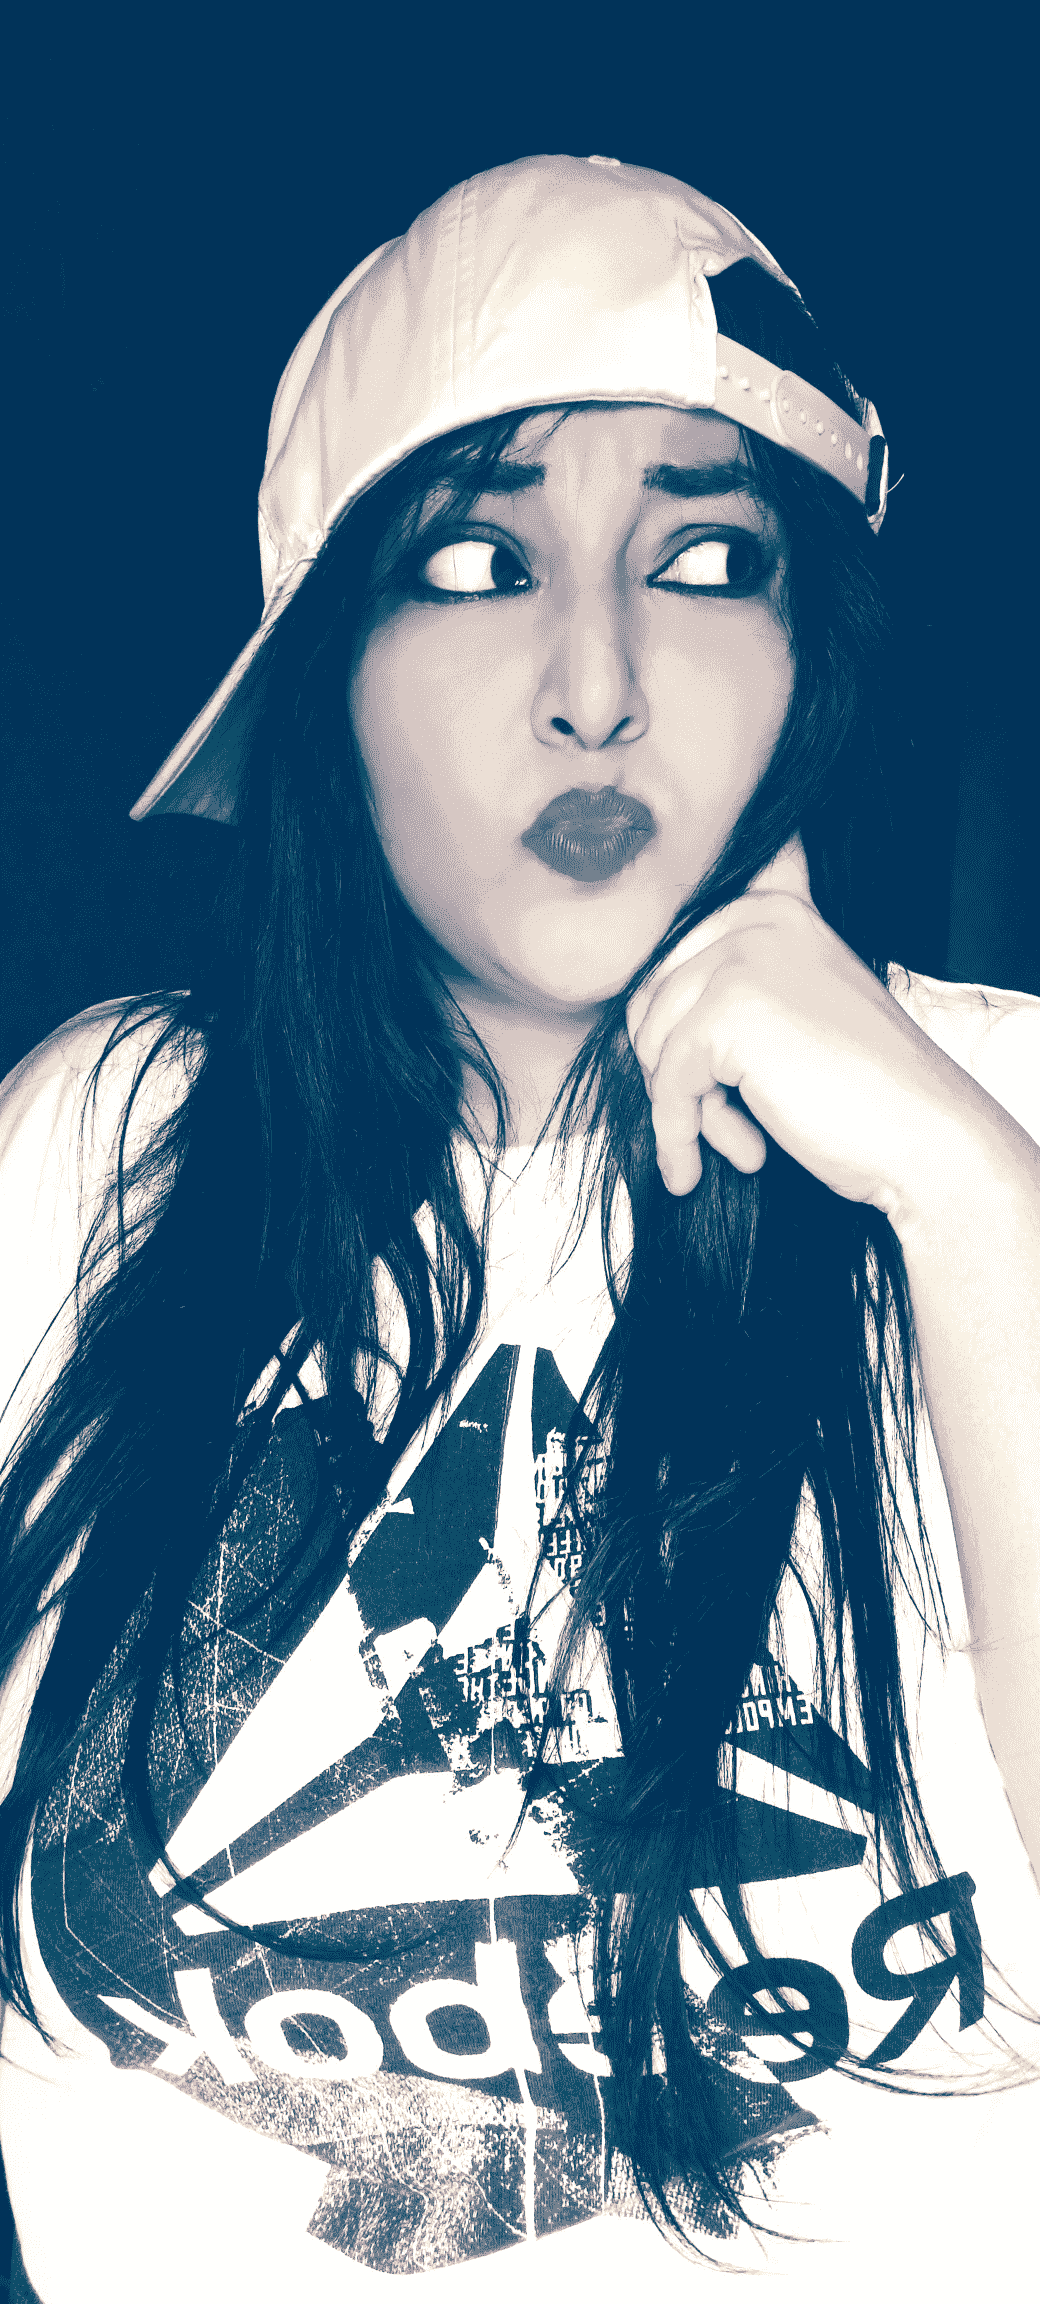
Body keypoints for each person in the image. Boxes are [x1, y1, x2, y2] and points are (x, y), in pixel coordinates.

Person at [0, 154, 1038, 2303]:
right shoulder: (98, 1153)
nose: (596, 683)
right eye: (475, 562)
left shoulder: (999, 1130)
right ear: (325, 677)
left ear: (809, 658)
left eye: (707, 561)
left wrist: (963, 1202)